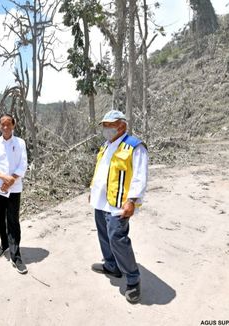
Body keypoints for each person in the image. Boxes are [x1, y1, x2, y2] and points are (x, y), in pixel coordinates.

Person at [89, 110, 148, 304]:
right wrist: (93, 190)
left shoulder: (134, 146)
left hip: (119, 203)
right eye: (104, 125)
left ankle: (133, 279)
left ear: (122, 126)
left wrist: (133, 200)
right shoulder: (106, 146)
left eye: (109, 125)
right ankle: (111, 265)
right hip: (101, 200)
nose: (106, 129)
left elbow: (140, 176)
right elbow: (101, 172)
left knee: (117, 238)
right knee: (103, 234)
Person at [0, 114, 28, 274]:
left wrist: (12, 180)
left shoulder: (20, 143)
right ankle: (4, 244)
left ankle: (16, 256)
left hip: (14, 188)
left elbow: (23, 164)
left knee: (13, 221)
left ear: (13, 125)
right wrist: (3, 177)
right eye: (2, 125)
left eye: (8, 124)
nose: (5, 127)